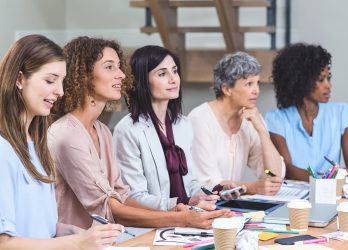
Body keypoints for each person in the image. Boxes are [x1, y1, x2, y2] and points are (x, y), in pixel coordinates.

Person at [48, 37, 229, 231]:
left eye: (119, 67)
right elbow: (112, 208)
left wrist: (176, 211)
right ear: (83, 75)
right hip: (77, 242)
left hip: (108, 239)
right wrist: (181, 218)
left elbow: (123, 197)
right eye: (109, 67)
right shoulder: (67, 136)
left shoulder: (102, 131)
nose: (122, 75)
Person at [0, 34, 123, 250]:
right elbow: (4, 243)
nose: (60, 91)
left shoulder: (38, 143)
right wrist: (78, 242)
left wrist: (82, 234)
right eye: (50, 80)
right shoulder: (3, 150)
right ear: (19, 79)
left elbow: (40, 227)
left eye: (62, 81)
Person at [113, 45, 219, 210]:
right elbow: (134, 196)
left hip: (187, 217)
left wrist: (201, 195)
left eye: (175, 71)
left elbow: (190, 182)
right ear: (142, 81)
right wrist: (178, 204)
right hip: (153, 224)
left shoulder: (184, 124)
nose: (173, 79)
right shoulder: (127, 130)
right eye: (162, 73)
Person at [188, 51, 285, 196]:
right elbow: (209, 184)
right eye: (249, 84)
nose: (257, 91)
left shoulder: (250, 120)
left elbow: (272, 175)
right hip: (200, 209)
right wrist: (253, 187)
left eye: (257, 83)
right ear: (226, 89)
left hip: (231, 211)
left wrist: (262, 132)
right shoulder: (199, 119)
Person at [265, 43, 348, 182]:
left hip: (331, 193)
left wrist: (345, 173)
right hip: (294, 198)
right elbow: (287, 168)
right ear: (301, 81)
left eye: (329, 78)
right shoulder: (276, 119)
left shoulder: (341, 113)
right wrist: (321, 179)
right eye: (321, 80)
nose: (328, 85)